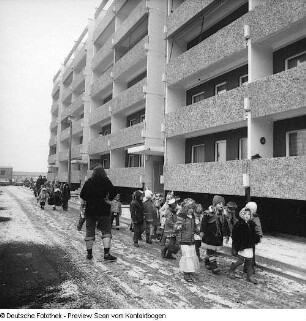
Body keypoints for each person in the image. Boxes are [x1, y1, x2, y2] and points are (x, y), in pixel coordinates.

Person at [80, 165, 117, 261]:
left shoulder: (89, 182)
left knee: (90, 231)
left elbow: (82, 195)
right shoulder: (106, 181)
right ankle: (106, 253)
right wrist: (108, 199)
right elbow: (114, 192)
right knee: (106, 230)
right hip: (103, 209)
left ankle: (89, 253)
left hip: (90, 210)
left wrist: (90, 200)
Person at [229, 207, 261, 284]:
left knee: (250, 261)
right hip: (242, 246)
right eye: (245, 214)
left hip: (249, 245)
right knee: (240, 261)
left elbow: (254, 233)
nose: (247, 215)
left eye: (249, 214)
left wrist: (256, 239)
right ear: (241, 214)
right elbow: (235, 235)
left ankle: (249, 276)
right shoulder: (239, 224)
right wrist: (237, 245)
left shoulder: (251, 224)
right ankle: (232, 269)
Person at [200, 195, 230, 274]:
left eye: (222, 203)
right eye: (219, 203)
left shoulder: (223, 215)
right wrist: (202, 231)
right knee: (211, 252)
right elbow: (203, 223)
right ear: (214, 204)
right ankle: (214, 267)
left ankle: (207, 261)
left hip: (217, 237)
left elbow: (225, 225)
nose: (221, 205)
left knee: (212, 251)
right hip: (209, 236)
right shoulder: (208, 214)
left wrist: (227, 234)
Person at [176, 198, 200, 282]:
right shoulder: (181, 216)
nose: (191, 210)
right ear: (185, 208)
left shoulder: (192, 216)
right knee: (187, 256)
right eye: (190, 208)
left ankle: (189, 270)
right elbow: (177, 226)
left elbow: (194, 227)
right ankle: (186, 272)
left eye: (193, 208)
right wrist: (178, 227)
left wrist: (198, 232)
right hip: (184, 240)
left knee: (192, 255)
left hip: (191, 239)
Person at [244, 201, 263, 274]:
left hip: (252, 238)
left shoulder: (255, 219)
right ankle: (247, 267)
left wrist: (259, 236)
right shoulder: (247, 217)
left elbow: (258, 228)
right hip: (247, 237)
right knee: (246, 252)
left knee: (251, 253)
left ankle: (250, 267)